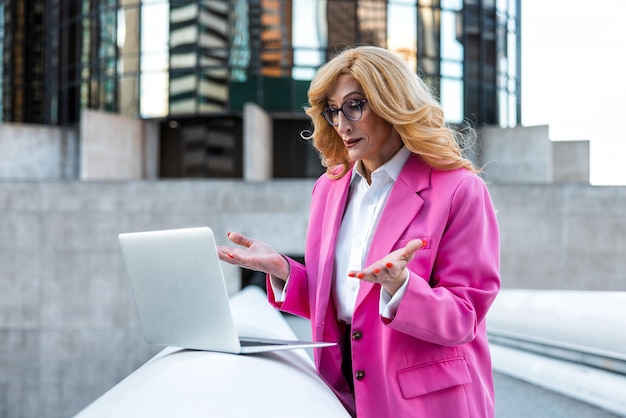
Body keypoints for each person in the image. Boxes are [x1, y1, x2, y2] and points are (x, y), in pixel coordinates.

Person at [217, 45, 500, 418]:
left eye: (354, 105)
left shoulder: (459, 189)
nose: (341, 124)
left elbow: (464, 316)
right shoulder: (329, 188)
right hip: (348, 390)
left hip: (430, 404)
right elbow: (344, 298)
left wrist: (400, 286)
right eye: (333, 110)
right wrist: (285, 271)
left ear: (390, 102)